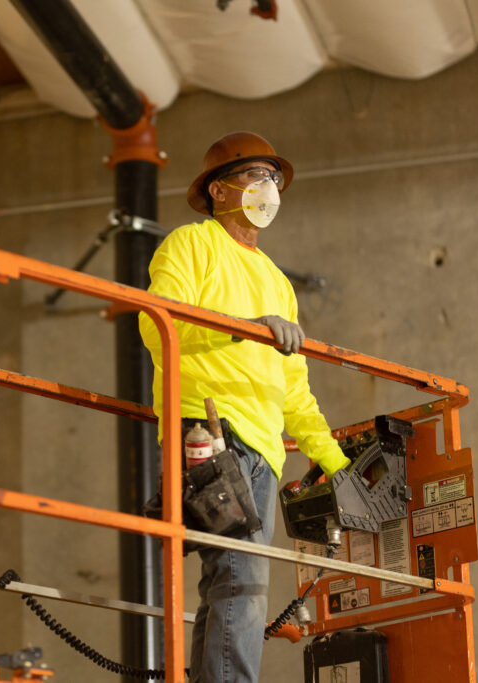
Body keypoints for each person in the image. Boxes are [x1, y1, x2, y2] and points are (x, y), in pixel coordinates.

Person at [138, 131, 350, 682]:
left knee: (232, 587)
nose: (268, 189)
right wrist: (243, 332)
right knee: (243, 585)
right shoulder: (190, 245)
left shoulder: (278, 282)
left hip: (261, 453)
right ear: (217, 190)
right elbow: (156, 323)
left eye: (273, 179)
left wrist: (336, 464)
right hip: (208, 431)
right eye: (254, 176)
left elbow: (295, 389)